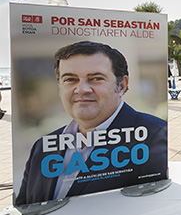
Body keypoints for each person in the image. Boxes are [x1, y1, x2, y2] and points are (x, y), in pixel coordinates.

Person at [16, 41, 168, 206]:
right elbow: (24, 208)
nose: (81, 89)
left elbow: (155, 204)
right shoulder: (43, 147)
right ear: (60, 87)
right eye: (70, 79)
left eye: (96, 78)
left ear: (122, 86)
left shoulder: (155, 135)